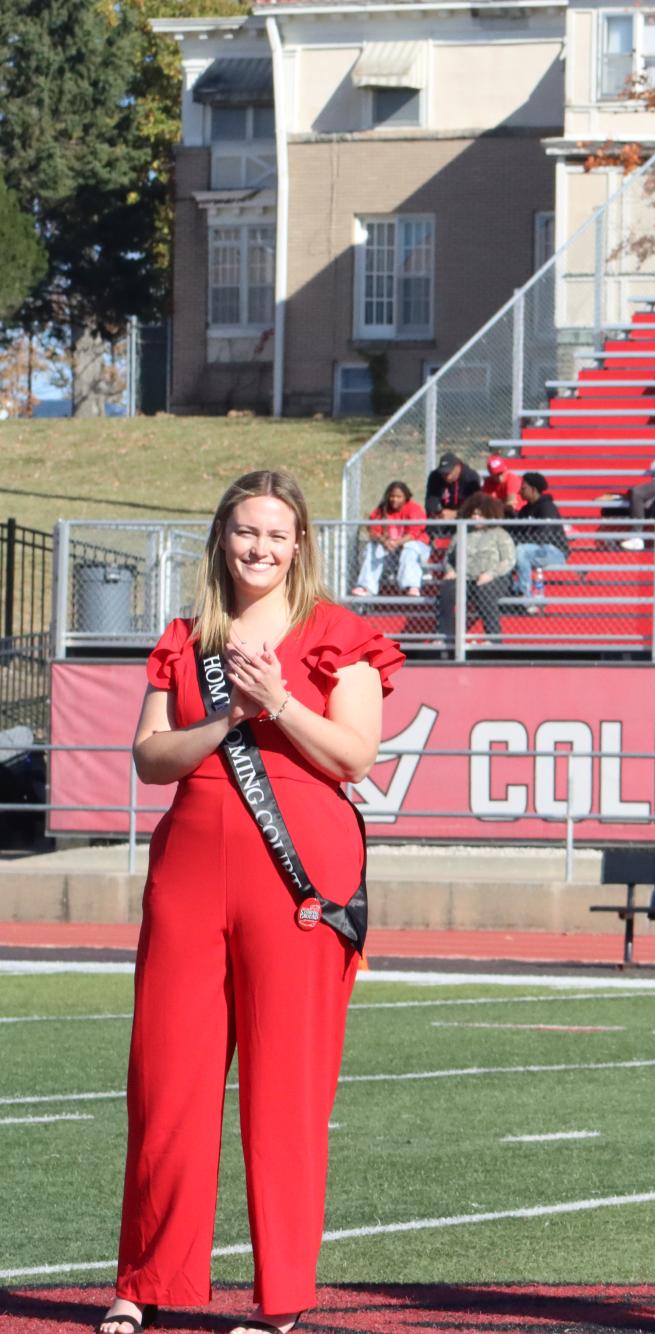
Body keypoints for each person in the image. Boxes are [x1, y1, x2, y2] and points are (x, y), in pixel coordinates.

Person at [104, 470, 399, 1334]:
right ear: (221, 539)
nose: (260, 548)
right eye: (245, 532)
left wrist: (278, 706)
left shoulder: (341, 637)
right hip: (189, 874)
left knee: (287, 1090)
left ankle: (281, 1304)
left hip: (299, 873)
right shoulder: (187, 638)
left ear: (300, 542)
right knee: (166, 1082)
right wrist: (228, 722)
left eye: (276, 534)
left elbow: (355, 758)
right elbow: (151, 758)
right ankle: (147, 1281)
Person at [433, 493, 513, 650]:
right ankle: (445, 635)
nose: (476, 517)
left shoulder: (500, 534)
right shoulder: (462, 532)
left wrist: (491, 574)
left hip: (493, 579)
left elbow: (508, 560)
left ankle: (493, 637)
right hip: (465, 578)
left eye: (481, 514)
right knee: (447, 589)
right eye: (474, 514)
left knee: (485, 591)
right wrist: (450, 570)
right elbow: (449, 557)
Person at [353, 480, 426, 598]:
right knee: (372, 547)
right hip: (390, 551)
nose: (395, 499)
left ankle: (412, 586)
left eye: (399, 496)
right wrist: (384, 541)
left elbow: (415, 533)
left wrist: (397, 542)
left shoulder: (413, 508)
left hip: (414, 551)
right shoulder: (383, 509)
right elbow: (372, 531)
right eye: (392, 496)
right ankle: (366, 587)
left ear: (406, 497)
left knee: (410, 547)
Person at [510, 472, 568, 613]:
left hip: (554, 551)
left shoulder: (547, 508)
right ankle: (514, 590)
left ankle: (525, 596)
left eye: (523, 488)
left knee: (521, 550)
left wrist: (519, 542)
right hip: (531, 550)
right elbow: (516, 533)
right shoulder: (525, 510)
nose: (519, 491)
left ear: (533, 490)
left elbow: (544, 536)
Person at [423, 451, 476, 519]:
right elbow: (431, 502)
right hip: (443, 517)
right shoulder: (435, 476)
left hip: (464, 518)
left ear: (458, 467)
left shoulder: (470, 477)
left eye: (448, 473)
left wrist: (455, 514)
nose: (445, 476)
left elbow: (474, 507)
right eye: (443, 473)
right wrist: (437, 513)